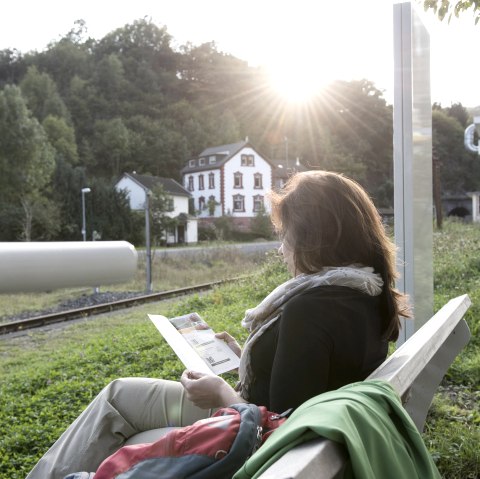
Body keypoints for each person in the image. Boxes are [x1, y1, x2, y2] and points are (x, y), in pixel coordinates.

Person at [27, 170, 410, 479]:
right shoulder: (368, 291)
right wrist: (248, 355)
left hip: (248, 430)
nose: (282, 248)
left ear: (315, 238)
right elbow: (316, 371)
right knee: (120, 393)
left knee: (116, 402)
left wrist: (219, 393)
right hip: (276, 417)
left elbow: (277, 427)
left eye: (286, 235)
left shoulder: (311, 306)